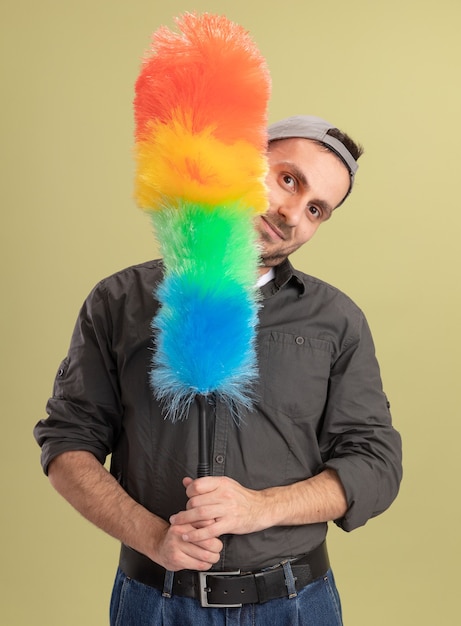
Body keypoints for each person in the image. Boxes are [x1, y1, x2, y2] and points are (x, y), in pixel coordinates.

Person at [34, 115, 402, 626]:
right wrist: (153, 538)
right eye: (288, 179)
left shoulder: (336, 320)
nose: (292, 212)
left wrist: (263, 507)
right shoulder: (119, 302)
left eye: (317, 209)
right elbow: (67, 443)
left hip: (297, 605)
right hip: (154, 602)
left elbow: (376, 464)